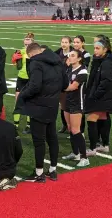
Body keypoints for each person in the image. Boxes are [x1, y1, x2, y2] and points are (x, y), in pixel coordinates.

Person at [15, 43, 68, 182]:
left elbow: (35, 86)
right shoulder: (58, 61)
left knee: (39, 141)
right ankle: (53, 170)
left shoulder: (36, 63)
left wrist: (22, 95)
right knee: (52, 138)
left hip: (38, 107)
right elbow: (65, 84)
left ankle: (39, 173)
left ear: (31, 54)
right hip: (52, 106)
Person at [84, 40, 112, 156]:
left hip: (102, 97)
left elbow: (105, 83)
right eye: (94, 48)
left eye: (97, 48)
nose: (95, 51)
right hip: (104, 96)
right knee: (103, 117)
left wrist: (95, 95)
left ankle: (93, 148)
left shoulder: (107, 63)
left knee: (91, 119)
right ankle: (105, 146)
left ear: (105, 49)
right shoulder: (102, 60)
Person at [61, 50, 90, 167]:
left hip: (77, 104)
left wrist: (61, 87)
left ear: (79, 59)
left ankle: (84, 157)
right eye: (69, 55)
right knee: (69, 128)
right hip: (67, 102)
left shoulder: (82, 70)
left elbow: (73, 86)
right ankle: (75, 152)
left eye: (73, 55)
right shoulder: (68, 69)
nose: (70, 57)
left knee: (76, 130)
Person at [11, 32, 34, 133]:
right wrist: (14, 59)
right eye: (25, 44)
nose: (27, 46)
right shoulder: (20, 51)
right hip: (21, 78)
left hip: (31, 79)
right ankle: (15, 125)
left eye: (29, 44)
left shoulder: (35, 53)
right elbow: (17, 66)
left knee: (30, 102)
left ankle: (29, 125)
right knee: (18, 101)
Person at [55, 36, 73, 134]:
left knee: (69, 106)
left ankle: (73, 126)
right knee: (62, 106)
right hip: (59, 83)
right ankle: (65, 125)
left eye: (66, 42)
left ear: (69, 43)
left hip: (70, 83)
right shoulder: (57, 53)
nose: (64, 44)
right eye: (62, 42)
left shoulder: (73, 54)